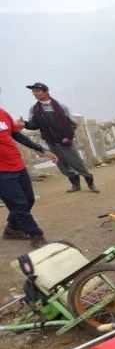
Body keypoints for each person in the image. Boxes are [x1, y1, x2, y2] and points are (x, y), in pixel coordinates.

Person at [22, 82, 98, 193]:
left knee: (77, 163)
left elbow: (73, 123)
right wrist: (24, 123)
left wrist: (69, 137)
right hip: (51, 142)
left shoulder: (61, 106)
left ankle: (91, 184)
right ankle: (75, 185)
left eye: (37, 91)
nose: (35, 93)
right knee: (62, 166)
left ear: (46, 91)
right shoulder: (34, 109)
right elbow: (34, 125)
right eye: (33, 91)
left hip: (65, 141)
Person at [1, 105, 56, 247]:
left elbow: (16, 134)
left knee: (28, 200)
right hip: (2, 173)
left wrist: (40, 149)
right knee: (18, 204)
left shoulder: (3, 114)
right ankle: (36, 235)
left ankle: (12, 229)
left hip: (17, 166)